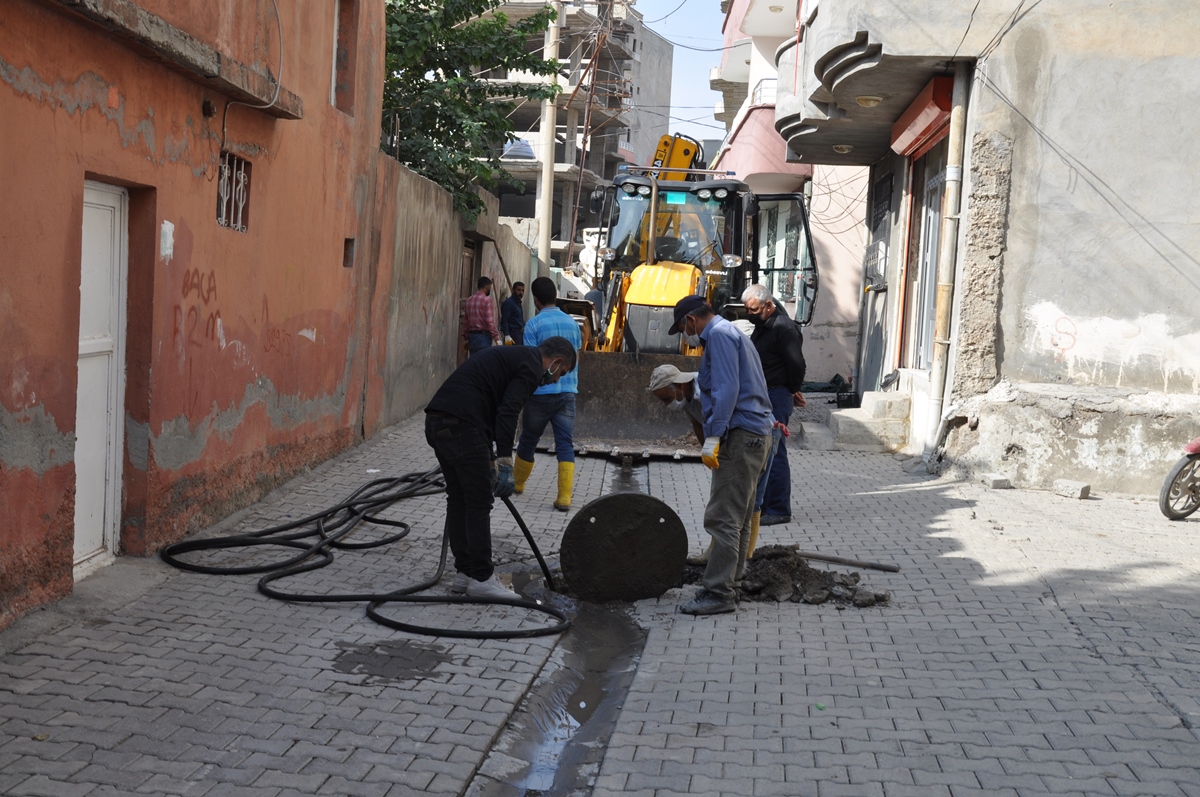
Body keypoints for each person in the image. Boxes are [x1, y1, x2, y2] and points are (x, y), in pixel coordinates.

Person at [424, 336, 578, 599]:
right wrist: (506, 461)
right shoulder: (531, 366)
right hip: (462, 424)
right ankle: (482, 579)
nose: (555, 380)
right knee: (479, 501)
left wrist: (491, 456)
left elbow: (493, 411)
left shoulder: (515, 357)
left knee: (460, 498)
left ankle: (466, 573)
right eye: (560, 373)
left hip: (438, 421)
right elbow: (508, 413)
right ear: (556, 361)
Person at [668, 296, 774, 616]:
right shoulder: (733, 333)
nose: (686, 336)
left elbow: (727, 389)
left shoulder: (718, 336)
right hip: (755, 435)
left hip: (741, 436)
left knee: (723, 518)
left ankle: (717, 592)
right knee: (739, 519)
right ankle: (732, 583)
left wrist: (714, 434)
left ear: (691, 320)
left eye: (683, 329)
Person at [648, 362, 780, 567]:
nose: (667, 404)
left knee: (752, 498)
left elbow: (727, 418)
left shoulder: (708, 390)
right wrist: (708, 454)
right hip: (733, 441)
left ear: (680, 386)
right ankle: (714, 552)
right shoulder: (687, 399)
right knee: (723, 499)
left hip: (759, 435)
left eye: (667, 398)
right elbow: (697, 423)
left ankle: (746, 557)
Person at [513, 277, 584, 511]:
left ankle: (517, 484)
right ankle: (564, 498)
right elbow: (576, 357)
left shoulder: (533, 325)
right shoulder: (573, 324)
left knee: (529, 439)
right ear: (555, 295)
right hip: (567, 392)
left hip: (541, 393)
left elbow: (531, 361)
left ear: (535, 299)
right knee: (565, 443)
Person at [741, 284, 807, 526]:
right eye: (747, 310)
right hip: (764, 395)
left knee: (775, 452)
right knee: (766, 451)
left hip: (776, 396)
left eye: (754, 309)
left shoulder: (784, 328)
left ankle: (779, 509)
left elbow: (796, 364)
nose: (750, 314)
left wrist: (791, 390)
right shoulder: (763, 326)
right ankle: (765, 505)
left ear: (768, 305)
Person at [464, 276, 500, 356]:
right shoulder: (487, 300)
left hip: (472, 338)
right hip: (483, 338)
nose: (490, 289)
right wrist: (497, 339)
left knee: (474, 364)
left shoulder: (469, 300)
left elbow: (466, 322)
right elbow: (490, 322)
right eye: (490, 287)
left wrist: (466, 338)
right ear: (487, 287)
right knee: (483, 364)